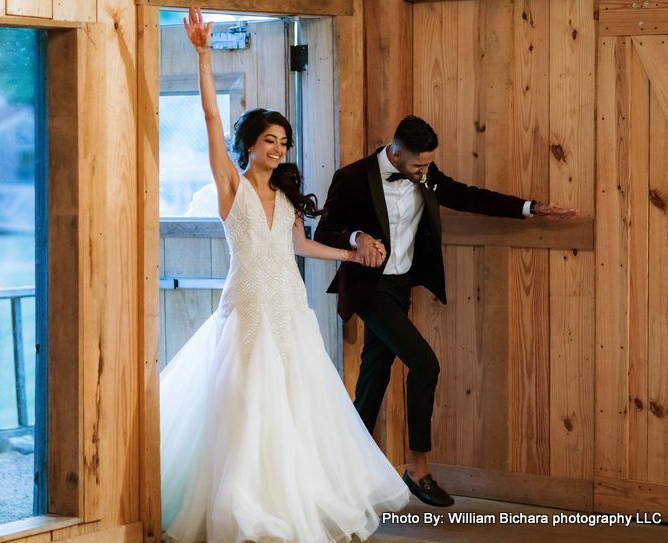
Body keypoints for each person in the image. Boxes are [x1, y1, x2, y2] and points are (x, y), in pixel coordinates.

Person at [159, 7, 410, 542]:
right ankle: (248, 503)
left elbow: (299, 246)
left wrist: (351, 255)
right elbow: (208, 118)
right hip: (247, 306)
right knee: (248, 408)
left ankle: (301, 497)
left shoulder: (287, 195)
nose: (278, 149)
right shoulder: (232, 187)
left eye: (284, 142)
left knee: (297, 407)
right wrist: (204, 55)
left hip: (290, 306)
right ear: (249, 144)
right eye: (269, 140)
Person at [314, 116, 578, 508]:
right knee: (425, 363)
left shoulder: (424, 172)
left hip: (401, 287)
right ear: (397, 152)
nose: (425, 173)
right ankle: (417, 468)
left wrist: (531, 208)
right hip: (370, 288)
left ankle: (344, 474)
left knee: (372, 379)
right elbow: (322, 232)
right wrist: (357, 237)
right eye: (419, 166)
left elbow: (470, 196)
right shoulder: (352, 177)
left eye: (428, 166)